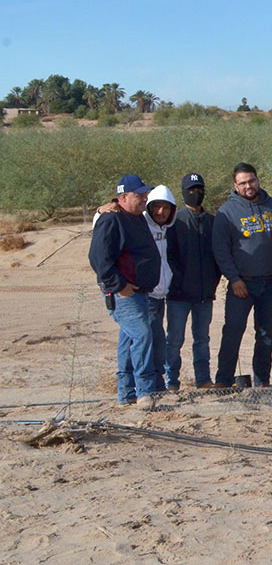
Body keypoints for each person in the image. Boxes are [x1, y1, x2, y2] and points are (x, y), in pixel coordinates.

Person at [88, 174, 160, 408]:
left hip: (140, 291)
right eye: (139, 195)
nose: (145, 199)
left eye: (145, 194)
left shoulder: (137, 218)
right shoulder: (111, 219)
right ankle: (145, 391)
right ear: (123, 197)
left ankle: (126, 392)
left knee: (129, 339)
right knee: (142, 335)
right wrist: (119, 285)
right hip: (123, 293)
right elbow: (98, 258)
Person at [212, 163, 272, 388]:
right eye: (242, 183)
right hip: (241, 284)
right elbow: (221, 250)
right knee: (233, 332)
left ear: (257, 180)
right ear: (235, 186)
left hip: (271, 284)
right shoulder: (226, 212)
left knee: (266, 335)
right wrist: (234, 279)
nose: (248, 186)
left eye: (251, 181)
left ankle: (262, 381)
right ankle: (224, 380)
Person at [165, 173, 220, 389]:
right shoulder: (174, 222)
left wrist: (213, 281)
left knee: (202, 339)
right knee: (175, 340)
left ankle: (203, 379)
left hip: (205, 294)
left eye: (199, 190)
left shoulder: (212, 222)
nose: (196, 194)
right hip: (178, 295)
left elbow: (218, 255)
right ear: (183, 192)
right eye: (191, 190)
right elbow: (169, 256)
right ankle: (171, 381)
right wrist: (177, 281)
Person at [142, 185, 177, 391]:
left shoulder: (166, 230)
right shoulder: (141, 225)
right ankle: (149, 386)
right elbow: (101, 222)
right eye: (156, 206)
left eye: (166, 207)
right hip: (145, 294)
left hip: (160, 294)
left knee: (157, 341)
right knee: (150, 341)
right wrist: (100, 210)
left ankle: (156, 384)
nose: (161, 212)